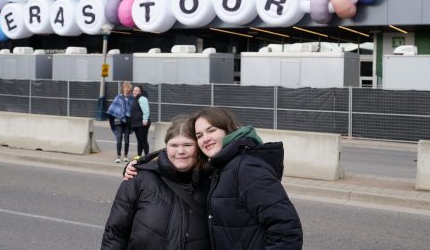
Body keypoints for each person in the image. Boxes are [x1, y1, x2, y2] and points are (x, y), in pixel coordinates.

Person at [125, 107, 303, 249]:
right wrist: (139, 163)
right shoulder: (220, 168)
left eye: (211, 130)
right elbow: (176, 156)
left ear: (228, 130)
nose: (206, 139)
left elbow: (286, 230)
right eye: (199, 135)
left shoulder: (246, 167)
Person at [101, 115, 210, 250]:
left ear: (199, 147)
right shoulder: (138, 178)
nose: (180, 151)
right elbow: (115, 234)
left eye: (188, 145)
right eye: (174, 145)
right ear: (166, 147)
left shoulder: (213, 181)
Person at [107, 82, 134, 163]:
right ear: (123, 88)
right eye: (126, 88)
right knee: (119, 139)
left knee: (127, 139)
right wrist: (113, 116)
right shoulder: (118, 97)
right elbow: (113, 108)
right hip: (118, 121)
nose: (127, 89)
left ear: (130, 89)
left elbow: (133, 109)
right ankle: (118, 156)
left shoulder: (132, 98)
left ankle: (125, 156)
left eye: (128, 88)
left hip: (128, 121)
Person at [130, 85, 150, 157]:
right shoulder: (135, 99)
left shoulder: (142, 98)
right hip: (136, 124)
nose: (135, 92)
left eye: (137, 90)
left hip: (142, 124)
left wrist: (145, 120)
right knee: (139, 141)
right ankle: (139, 156)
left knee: (143, 140)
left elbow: (146, 110)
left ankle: (147, 156)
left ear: (140, 92)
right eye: (134, 90)